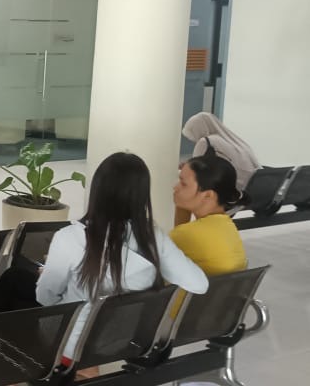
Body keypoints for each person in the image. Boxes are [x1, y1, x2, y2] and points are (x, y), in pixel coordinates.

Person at [36, 152, 208, 375]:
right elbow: (199, 284)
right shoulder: (152, 237)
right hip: (129, 340)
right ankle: (87, 371)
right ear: (141, 195)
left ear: (97, 190)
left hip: (72, 343)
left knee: (18, 297)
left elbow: (45, 298)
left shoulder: (69, 237)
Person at [171, 154, 248, 276]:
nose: (175, 187)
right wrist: (182, 205)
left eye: (183, 184)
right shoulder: (228, 227)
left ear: (208, 195)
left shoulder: (187, 234)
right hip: (219, 289)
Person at [178, 112, 260, 224]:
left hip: (229, 196)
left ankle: (182, 230)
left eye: (193, 132)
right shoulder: (236, 143)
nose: (193, 138)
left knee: (183, 193)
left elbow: (195, 172)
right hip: (247, 193)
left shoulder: (205, 141)